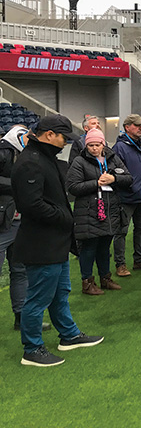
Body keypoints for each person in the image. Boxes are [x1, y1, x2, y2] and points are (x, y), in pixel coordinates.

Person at [12, 115, 103, 366]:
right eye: (63, 137)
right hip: (41, 243)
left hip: (56, 240)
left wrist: (64, 221)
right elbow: (31, 205)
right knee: (38, 298)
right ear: (49, 134)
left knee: (60, 293)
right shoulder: (31, 162)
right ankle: (32, 349)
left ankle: (69, 335)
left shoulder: (44, 158)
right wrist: (64, 218)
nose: (65, 143)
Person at [66, 128, 133, 295]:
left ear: (103, 144)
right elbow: (73, 187)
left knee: (104, 247)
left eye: (97, 144)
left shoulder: (112, 158)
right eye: (90, 145)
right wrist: (96, 183)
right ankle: (87, 282)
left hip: (110, 210)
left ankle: (105, 278)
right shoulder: (79, 162)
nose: (94, 148)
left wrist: (114, 179)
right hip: (89, 211)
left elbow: (129, 178)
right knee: (89, 248)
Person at [0, 125, 46, 332]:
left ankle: (21, 318)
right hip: (4, 222)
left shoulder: (26, 155)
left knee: (20, 270)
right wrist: (20, 184)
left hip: (20, 221)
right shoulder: (3, 151)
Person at [112, 113, 141, 276]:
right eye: (137, 125)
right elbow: (116, 173)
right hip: (126, 196)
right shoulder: (119, 148)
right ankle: (120, 264)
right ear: (127, 127)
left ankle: (139, 260)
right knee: (121, 231)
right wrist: (131, 187)